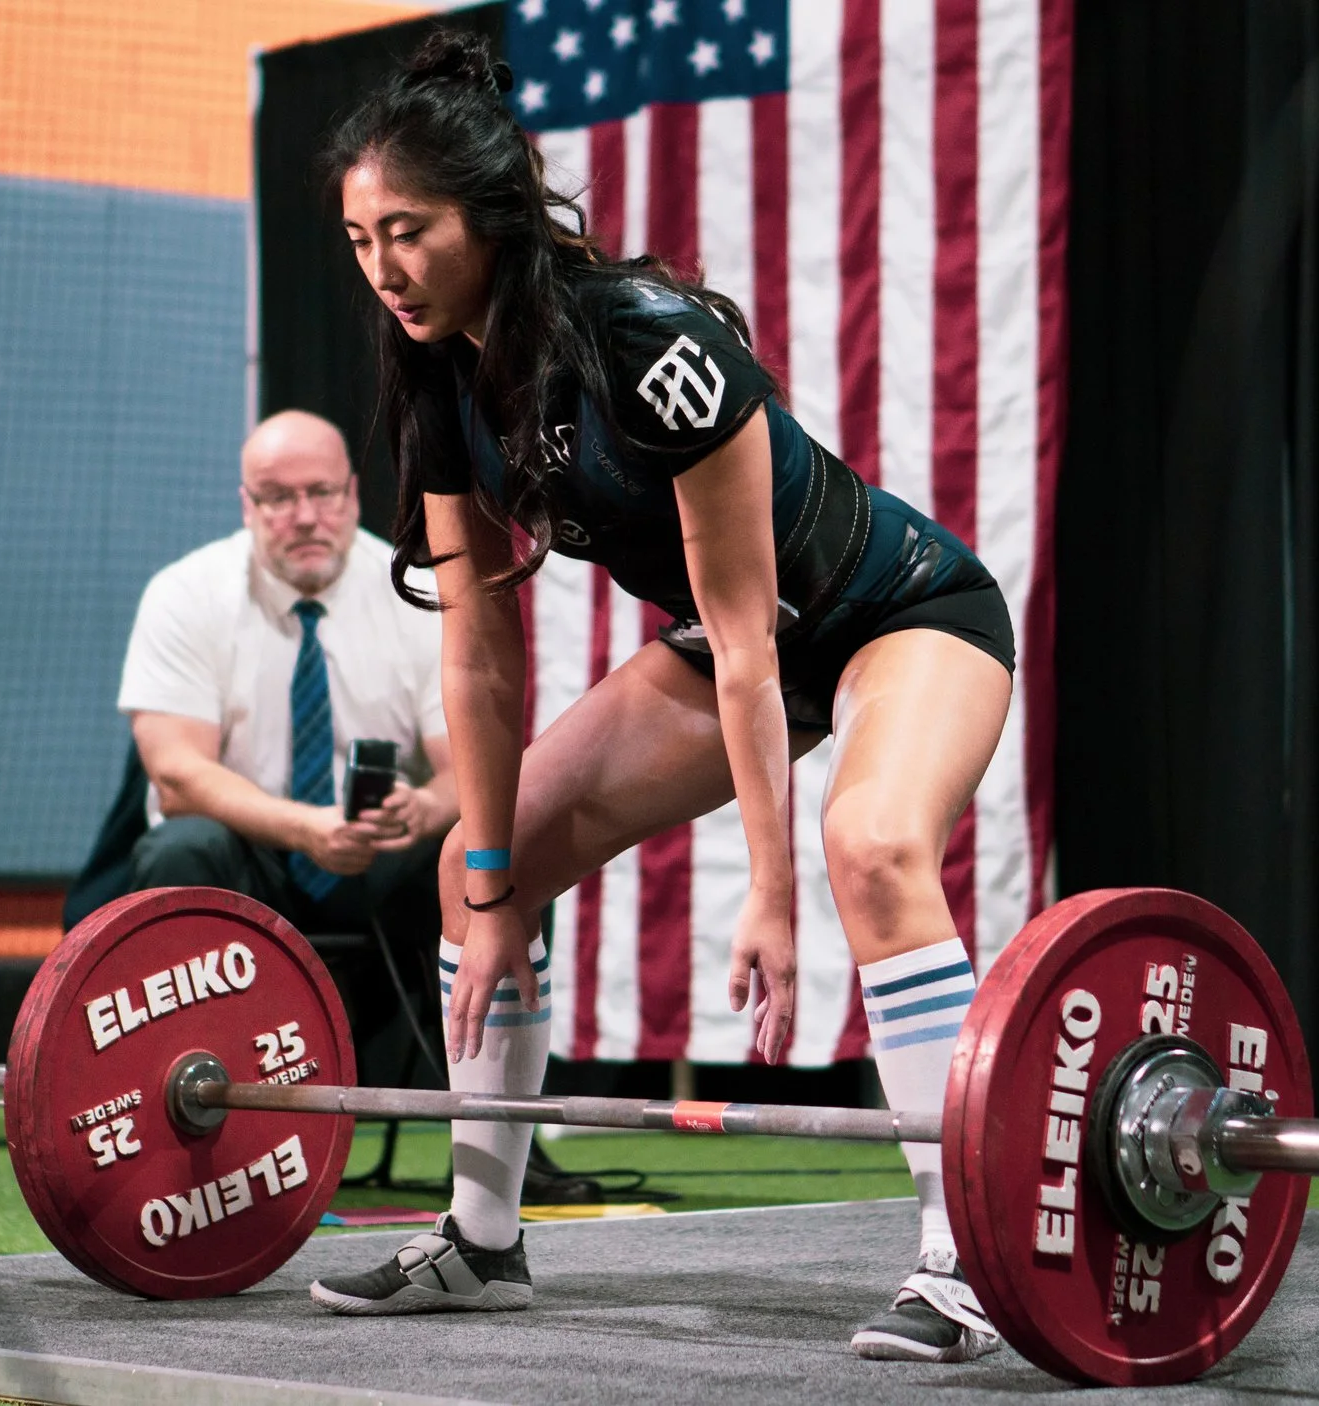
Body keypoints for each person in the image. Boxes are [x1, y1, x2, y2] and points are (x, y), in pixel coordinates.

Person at [303, 32, 1019, 1365]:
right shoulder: (439, 381)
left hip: (897, 613)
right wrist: (494, 883)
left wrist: (772, 894)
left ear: (488, 218)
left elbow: (749, 643)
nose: (383, 269)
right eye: (359, 241)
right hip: (733, 645)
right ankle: (481, 1238)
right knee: (475, 865)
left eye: (408, 232)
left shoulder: (644, 340)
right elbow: (482, 650)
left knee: (871, 842)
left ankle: (966, 1261)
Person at [115, 410, 458, 950]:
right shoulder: (184, 594)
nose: (305, 518)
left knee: (485, 847)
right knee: (183, 847)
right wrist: (305, 828)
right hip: (248, 847)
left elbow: (466, 771)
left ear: (352, 495)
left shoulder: (419, 595)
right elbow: (177, 777)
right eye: (277, 498)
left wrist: (424, 809)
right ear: (246, 506)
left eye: (322, 493)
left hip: (378, 856)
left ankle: (475, 1010)